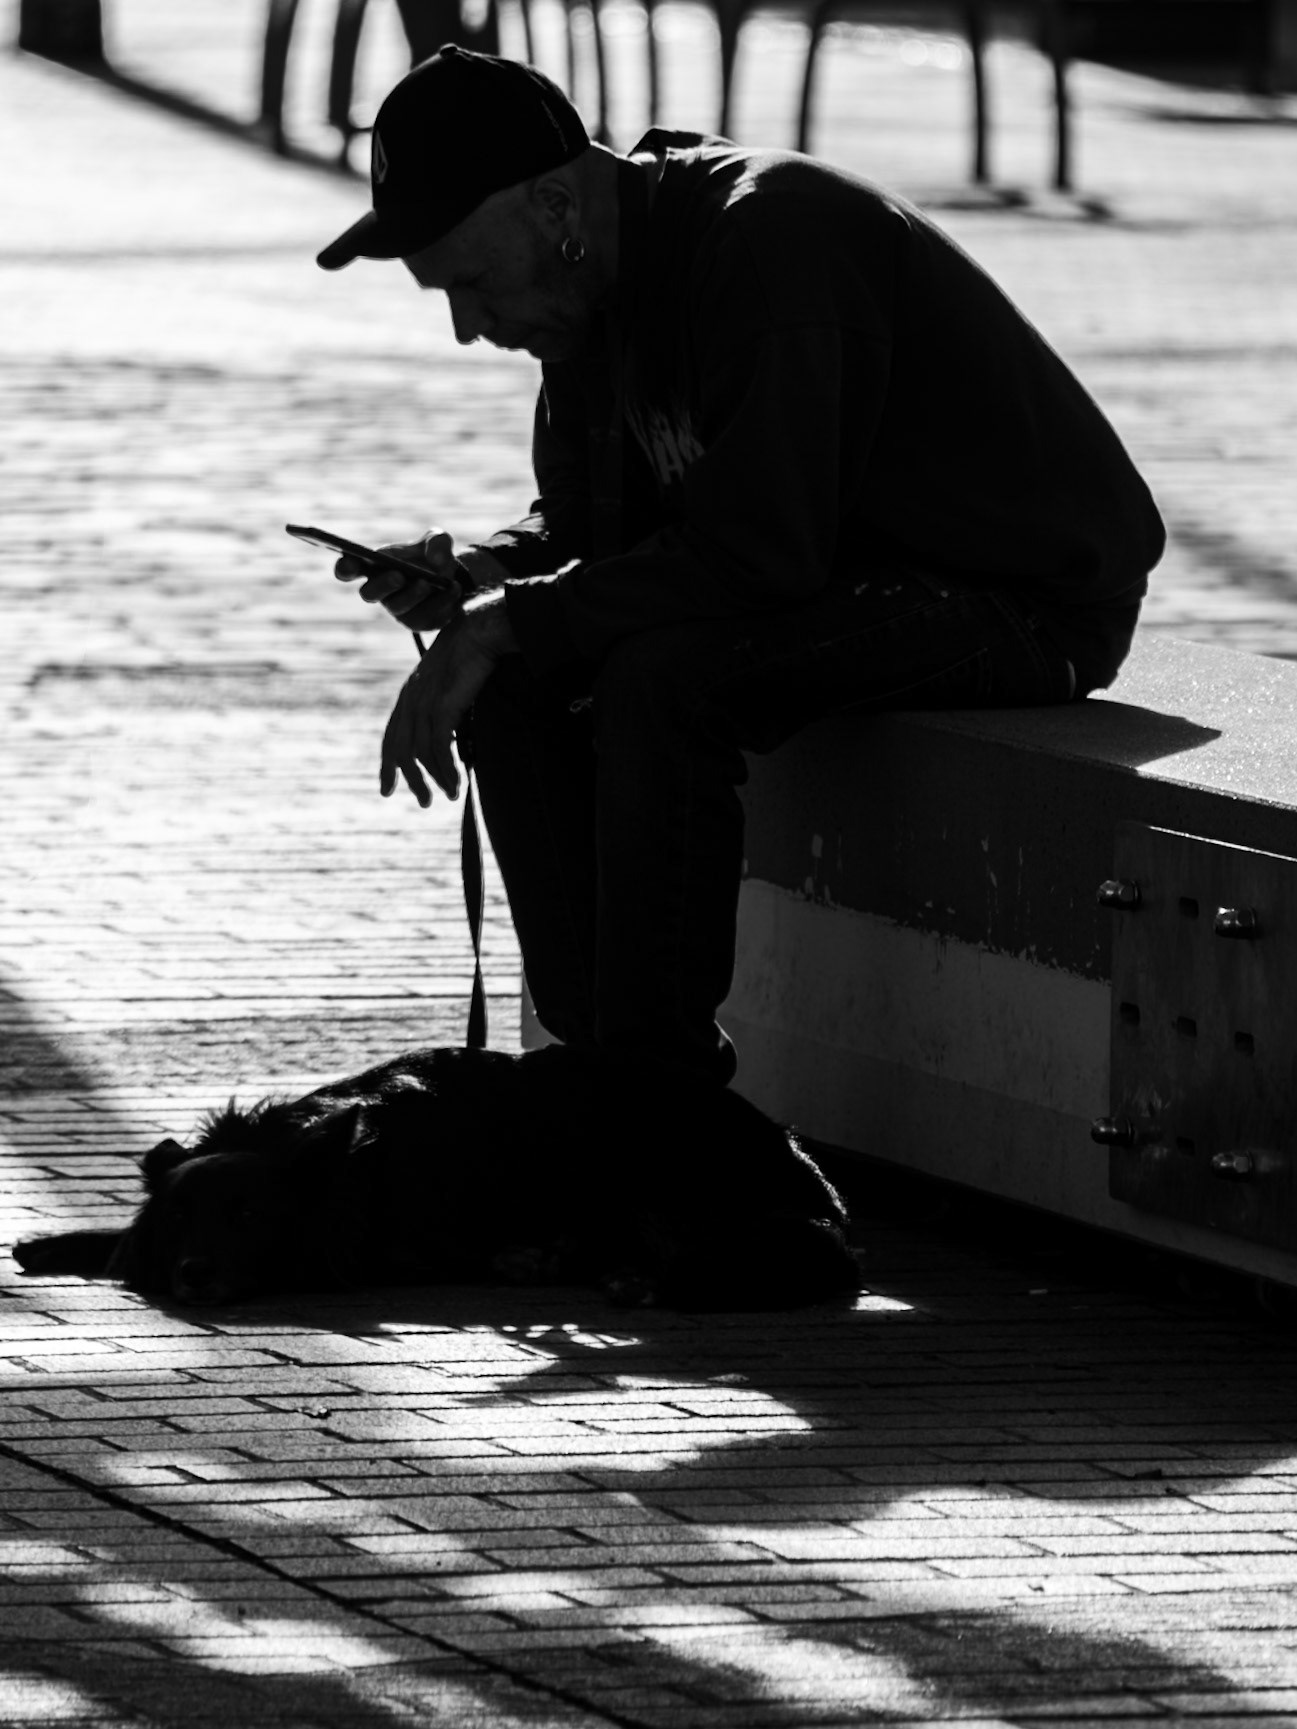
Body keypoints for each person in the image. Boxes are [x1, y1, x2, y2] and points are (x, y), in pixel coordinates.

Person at [316, 44, 1165, 1087]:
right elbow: (592, 537)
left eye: (473, 282)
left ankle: (660, 1088)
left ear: (555, 208)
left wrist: (513, 617)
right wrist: (481, 579)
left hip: (1020, 595)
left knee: (663, 680)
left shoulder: (766, 244)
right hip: (844, 573)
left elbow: (760, 550)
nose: (466, 327)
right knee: (516, 671)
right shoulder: (586, 301)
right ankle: (593, 1070)